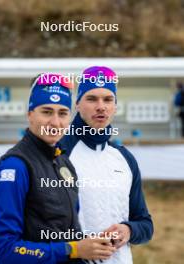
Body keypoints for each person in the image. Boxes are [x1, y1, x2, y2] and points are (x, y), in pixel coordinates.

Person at [0, 73, 116, 264]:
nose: (55, 123)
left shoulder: (64, 162)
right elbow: (5, 250)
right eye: (47, 112)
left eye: (63, 113)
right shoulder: (14, 167)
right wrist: (72, 249)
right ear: (30, 114)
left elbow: (68, 233)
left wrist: (93, 245)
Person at [60, 66, 154, 264]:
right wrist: (76, 249)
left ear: (115, 107)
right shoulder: (59, 154)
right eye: (92, 99)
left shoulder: (124, 158)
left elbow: (145, 224)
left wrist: (128, 230)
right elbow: (37, 228)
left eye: (108, 99)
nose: (101, 106)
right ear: (77, 104)